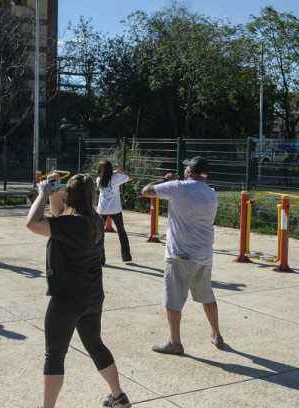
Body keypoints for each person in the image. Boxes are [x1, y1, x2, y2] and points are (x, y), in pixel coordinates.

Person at [26, 173, 131, 408]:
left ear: (69, 196)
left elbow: (33, 223)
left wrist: (42, 194)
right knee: (95, 344)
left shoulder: (72, 223)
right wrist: (53, 191)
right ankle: (118, 396)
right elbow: (57, 215)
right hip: (92, 297)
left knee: (54, 354)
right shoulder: (92, 219)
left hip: (67, 299)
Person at [141, 157, 225, 355]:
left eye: (187, 166)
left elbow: (145, 191)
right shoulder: (211, 193)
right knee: (206, 295)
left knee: (173, 300)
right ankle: (216, 334)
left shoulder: (177, 187)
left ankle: (175, 342)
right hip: (203, 254)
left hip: (180, 254)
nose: (184, 168)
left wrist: (164, 180)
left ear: (190, 171)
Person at [96, 160, 132, 263]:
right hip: (115, 209)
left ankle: (100, 259)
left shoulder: (98, 179)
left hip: (102, 209)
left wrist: (116, 172)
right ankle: (126, 257)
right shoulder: (116, 178)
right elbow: (130, 177)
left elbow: (106, 176)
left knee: (99, 233)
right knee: (121, 232)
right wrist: (121, 170)